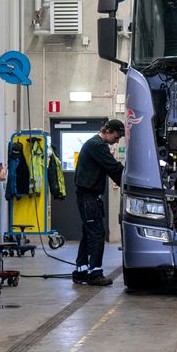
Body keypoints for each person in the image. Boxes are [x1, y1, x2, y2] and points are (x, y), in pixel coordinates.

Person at [72, 119, 125, 286]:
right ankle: (95, 274)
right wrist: (130, 182)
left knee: (88, 233)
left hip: (88, 196)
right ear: (107, 131)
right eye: (116, 137)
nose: (117, 141)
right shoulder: (97, 145)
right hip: (88, 197)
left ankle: (81, 271)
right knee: (97, 234)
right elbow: (113, 168)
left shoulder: (95, 144)